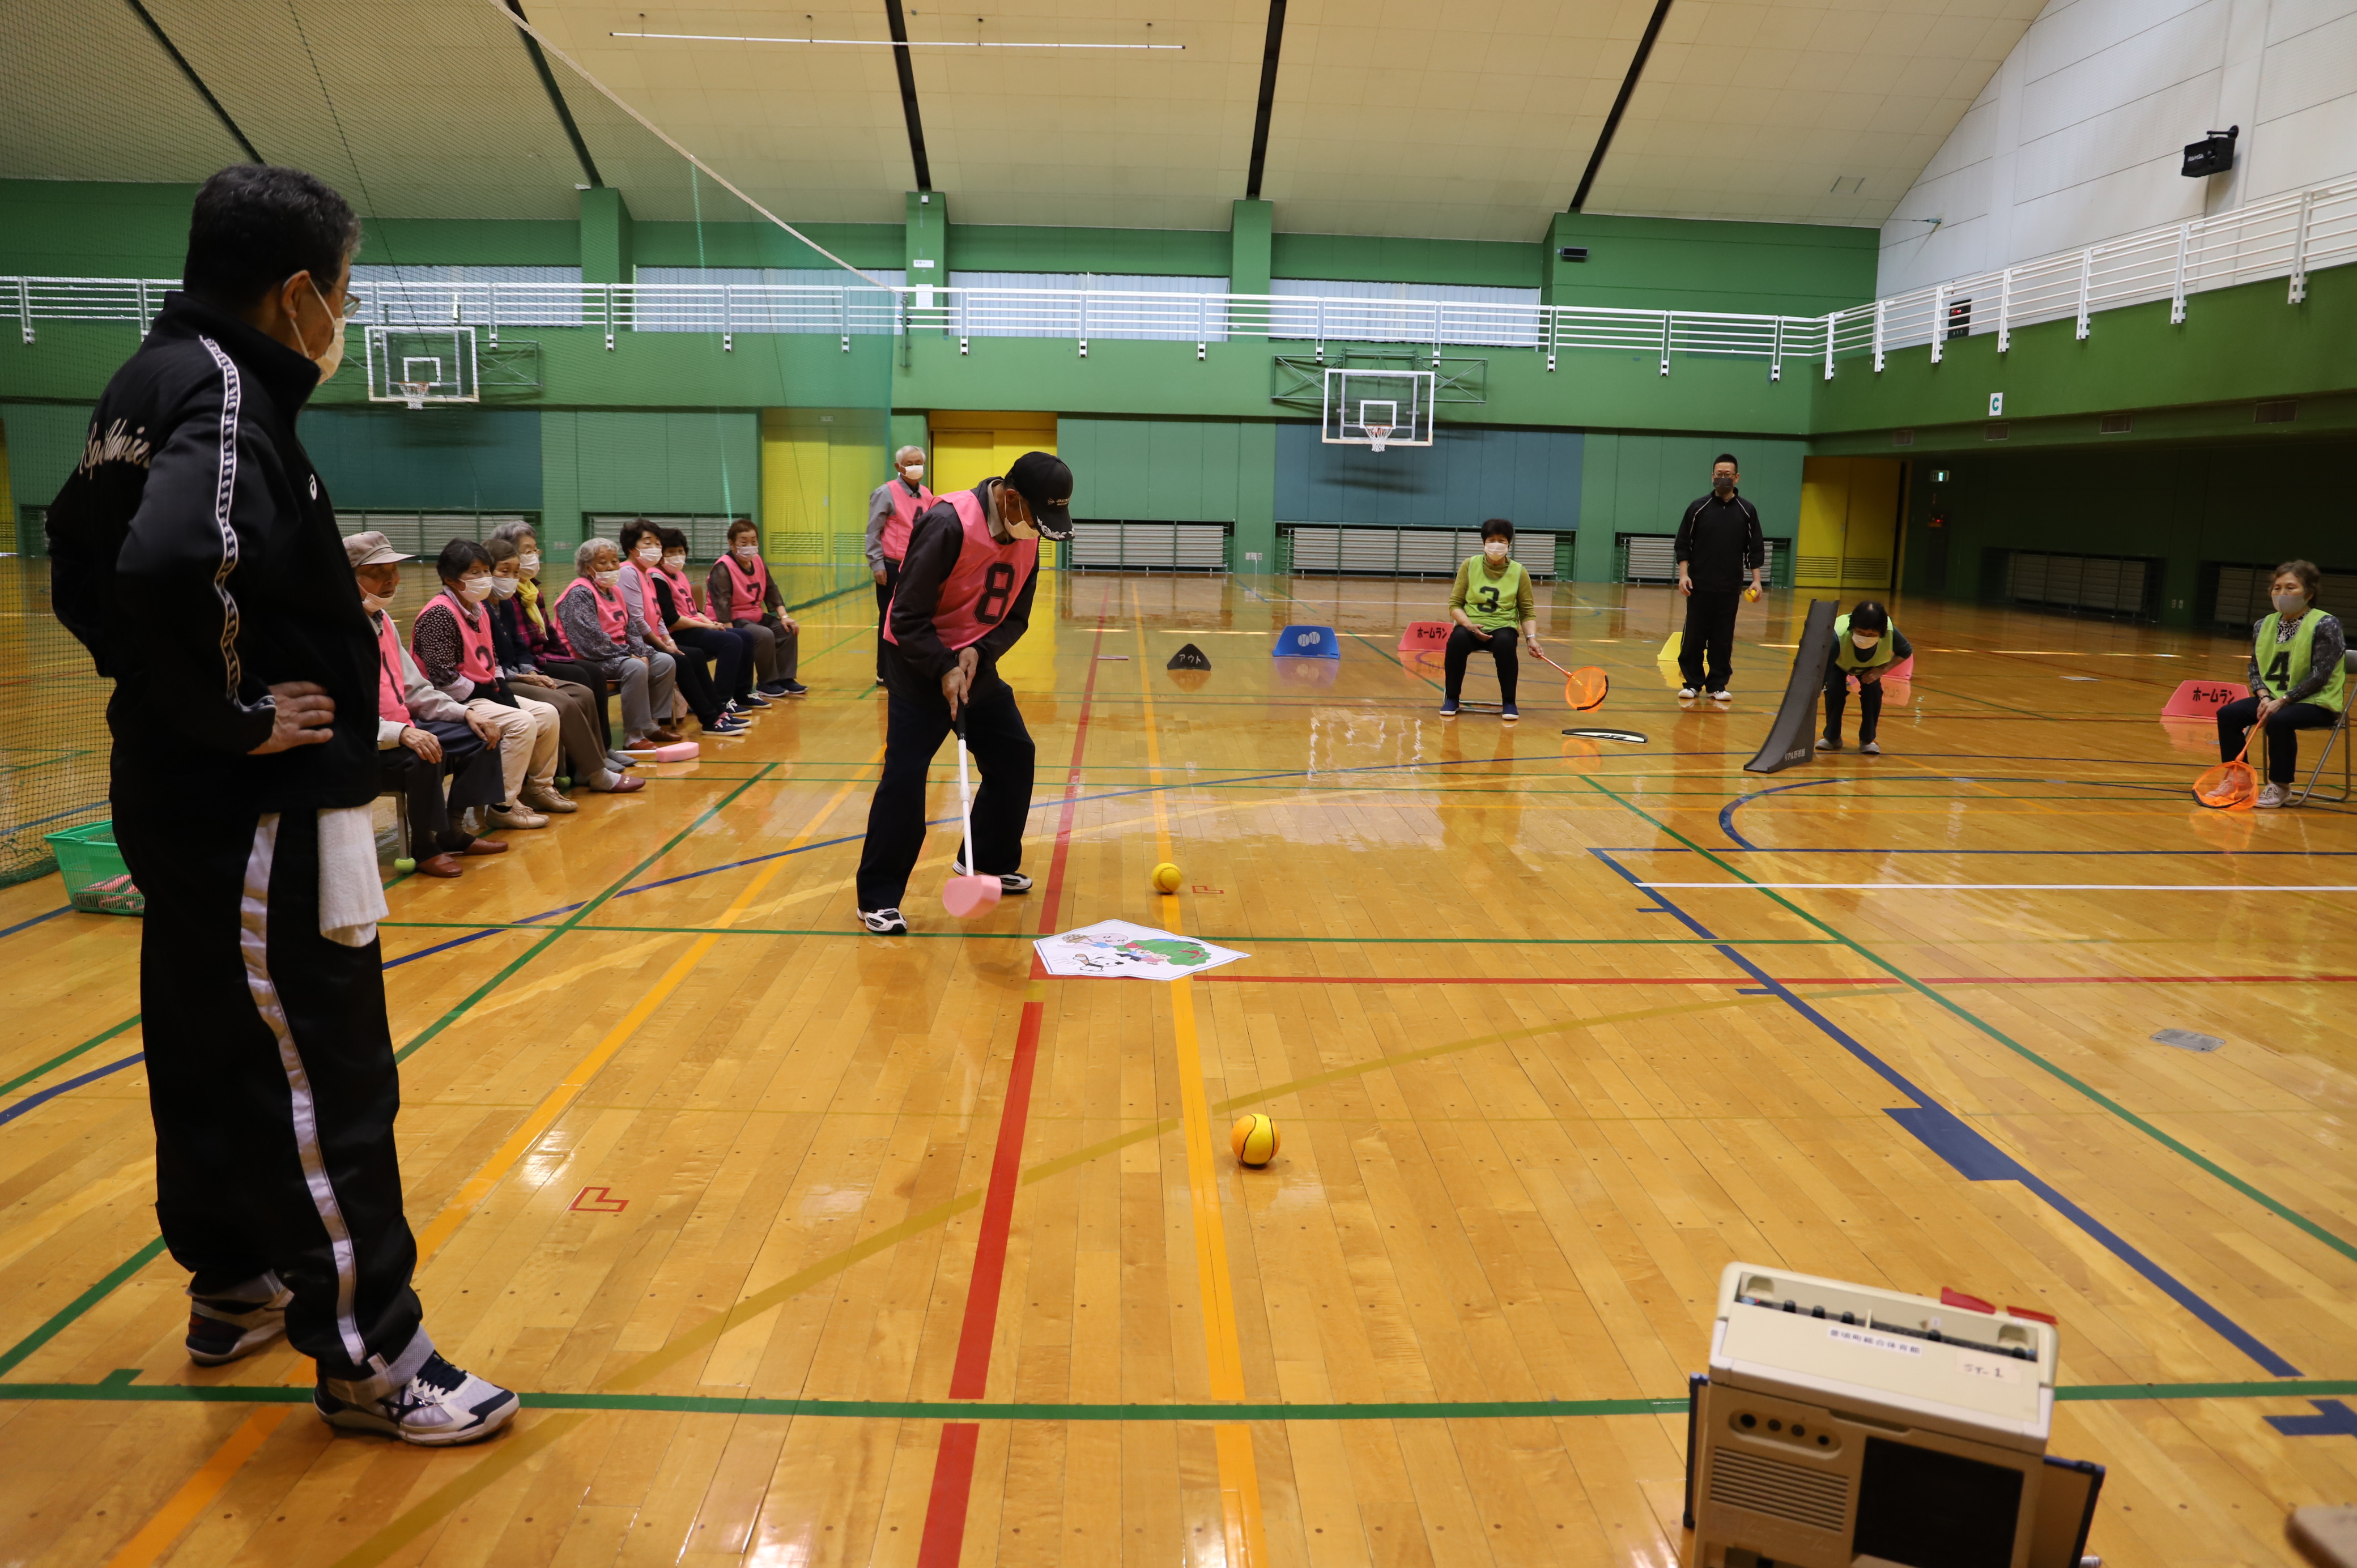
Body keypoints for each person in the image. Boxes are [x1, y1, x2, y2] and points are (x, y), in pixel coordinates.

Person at [42, 163, 516, 1444]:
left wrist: (166, 700)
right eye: (345, 290)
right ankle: (372, 1354)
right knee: (323, 1068)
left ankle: (235, 1279)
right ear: (299, 291)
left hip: (175, 786)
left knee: (209, 1042)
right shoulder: (229, 388)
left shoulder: (144, 384)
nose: (344, 315)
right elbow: (180, 558)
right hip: (253, 808)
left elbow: (74, 556)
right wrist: (240, 718)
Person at [854, 452, 1072, 934]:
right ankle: (878, 896)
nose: (1038, 530)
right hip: (917, 663)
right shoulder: (948, 523)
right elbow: (905, 616)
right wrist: (942, 665)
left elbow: (1016, 616)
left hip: (972, 663)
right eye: (1036, 517)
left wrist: (981, 651)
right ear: (1011, 498)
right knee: (906, 778)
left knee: (1014, 754)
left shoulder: (1027, 537)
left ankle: (986, 862)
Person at [349, 531, 510, 876]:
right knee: (422, 754)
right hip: (362, 744)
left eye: (394, 571)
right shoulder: (338, 632)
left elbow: (416, 690)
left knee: (481, 735)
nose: (392, 580)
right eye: (379, 573)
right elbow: (344, 713)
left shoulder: (384, 621)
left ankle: (453, 831)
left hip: (402, 729)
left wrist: (466, 713)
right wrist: (400, 733)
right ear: (349, 577)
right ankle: (425, 847)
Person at [410, 540, 568, 825]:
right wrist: (489, 695)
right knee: (522, 723)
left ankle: (540, 787)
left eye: (485, 570)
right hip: (452, 701)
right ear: (450, 579)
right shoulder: (439, 614)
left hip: (481, 694)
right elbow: (441, 677)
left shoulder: (478, 609)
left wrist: (502, 692)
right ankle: (502, 807)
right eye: (474, 572)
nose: (484, 578)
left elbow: (491, 661)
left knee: (548, 714)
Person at [482, 536, 640, 794]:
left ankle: (591, 762)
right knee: (564, 701)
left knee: (584, 692)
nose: (510, 577)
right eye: (503, 571)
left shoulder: (507, 605)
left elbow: (519, 649)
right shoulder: (482, 608)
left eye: (514, 571)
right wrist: (523, 677)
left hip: (519, 672)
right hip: (503, 681)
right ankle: (596, 773)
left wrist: (530, 670)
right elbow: (492, 661)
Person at [2218, 559, 2347, 808]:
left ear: (2309, 593)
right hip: (2274, 697)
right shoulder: (2263, 624)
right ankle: (2239, 778)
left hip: (2317, 703)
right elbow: (2255, 667)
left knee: (2279, 719)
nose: (2282, 594)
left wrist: (2284, 701)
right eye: (2277, 588)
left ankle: (2281, 786)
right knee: (2228, 714)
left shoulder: (2326, 624)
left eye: (2291, 588)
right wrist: (2264, 696)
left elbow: (2320, 675)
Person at [618, 519, 748, 736]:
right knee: (685, 659)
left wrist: (669, 641)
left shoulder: (646, 573)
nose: (655, 548)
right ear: (632, 547)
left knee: (694, 655)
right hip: (637, 644)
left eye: (658, 543)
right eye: (648, 543)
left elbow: (657, 617)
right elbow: (637, 620)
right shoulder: (629, 572)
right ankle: (710, 719)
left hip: (656, 640)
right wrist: (665, 646)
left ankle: (718, 712)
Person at [555, 539, 683, 750]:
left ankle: (651, 725)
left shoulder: (615, 591)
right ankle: (633, 736)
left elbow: (630, 630)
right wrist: (629, 655)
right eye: (603, 562)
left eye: (614, 561)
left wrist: (641, 651)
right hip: (588, 659)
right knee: (635, 667)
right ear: (589, 568)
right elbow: (589, 642)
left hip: (617, 653)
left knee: (664, 661)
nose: (611, 567)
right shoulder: (579, 594)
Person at [1674, 452, 1764, 702]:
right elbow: (1683, 544)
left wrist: (1756, 580)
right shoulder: (1697, 508)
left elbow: (1754, 547)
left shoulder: (1747, 511)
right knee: (1693, 637)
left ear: (1736, 478)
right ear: (1712, 476)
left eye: (1728, 475)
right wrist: (1684, 576)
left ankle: (1717, 685)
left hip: (1729, 588)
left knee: (1722, 639)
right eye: (1719, 474)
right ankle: (1692, 683)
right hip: (1699, 585)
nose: (1722, 479)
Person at [648, 524, 767, 713]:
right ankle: (721, 699)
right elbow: (672, 620)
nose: (677, 556)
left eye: (680, 551)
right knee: (731, 641)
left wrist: (711, 623)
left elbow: (694, 610)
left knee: (745, 636)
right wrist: (707, 627)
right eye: (671, 552)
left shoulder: (679, 575)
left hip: (693, 627)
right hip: (677, 634)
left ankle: (742, 693)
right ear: (661, 555)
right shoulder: (656, 578)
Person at [1438, 518, 1541, 722]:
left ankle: (1509, 702)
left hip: (1503, 627)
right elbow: (1455, 604)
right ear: (1484, 543)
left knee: (1505, 644)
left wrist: (1532, 638)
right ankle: (1452, 698)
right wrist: (1468, 625)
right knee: (1457, 641)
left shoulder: (1520, 572)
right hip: (1470, 626)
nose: (1496, 545)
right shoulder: (1470, 565)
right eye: (1492, 540)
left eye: (1501, 540)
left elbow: (1527, 611)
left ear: (1509, 544)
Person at [707, 518, 805, 696]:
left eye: (753, 542)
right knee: (764, 635)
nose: (750, 546)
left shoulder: (758, 561)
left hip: (754, 616)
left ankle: (785, 678)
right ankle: (767, 682)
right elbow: (721, 603)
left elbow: (771, 590)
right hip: (730, 619)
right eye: (744, 542)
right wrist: (729, 633)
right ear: (732, 544)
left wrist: (785, 617)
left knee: (787, 630)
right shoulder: (723, 567)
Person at [866, 445, 934, 684]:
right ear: (899, 467)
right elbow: (873, 531)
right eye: (911, 462)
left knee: (918, 617)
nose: (917, 467)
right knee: (889, 618)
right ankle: (885, 672)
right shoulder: (886, 493)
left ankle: (911, 667)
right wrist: (877, 565)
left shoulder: (927, 495)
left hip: (917, 567)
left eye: (920, 463)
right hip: (892, 566)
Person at [1819, 600, 1912, 756]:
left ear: (1881, 633)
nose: (1865, 637)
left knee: (1873, 692)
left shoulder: (1890, 631)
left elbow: (1905, 651)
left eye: (1872, 635)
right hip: (1839, 662)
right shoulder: (1837, 635)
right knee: (1834, 690)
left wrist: (1882, 670)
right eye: (1860, 632)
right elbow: (1823, 665)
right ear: (1852, 627)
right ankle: (1832, 737)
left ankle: (1868, 739)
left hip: (1872, 666)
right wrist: (1819, 686)